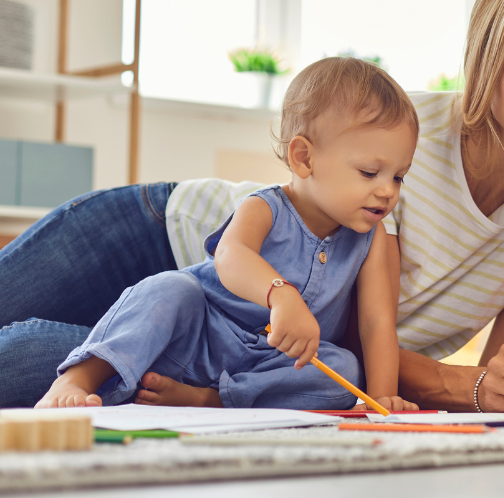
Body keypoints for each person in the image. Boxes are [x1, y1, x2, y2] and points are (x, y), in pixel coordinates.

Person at [1, 0, 504, 417]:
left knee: (36, 367)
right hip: (160, 237)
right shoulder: (403, 140)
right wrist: (455, 387)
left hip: (236, 346)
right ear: (488, 62)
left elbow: (497, 368)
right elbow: (366, 337)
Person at [37, 57, 421, 410]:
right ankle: (76, 378)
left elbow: (376, 323)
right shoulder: (265, 207)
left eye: (398, 176)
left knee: (345, 370)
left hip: (269, 363)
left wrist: (384, 398)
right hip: (199, 336)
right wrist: (280, 294)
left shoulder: (372, 239)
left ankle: (212, 399)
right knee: (170, 289)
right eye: (370, 173)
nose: (388, 190)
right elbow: (230, 256)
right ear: (304, 158)